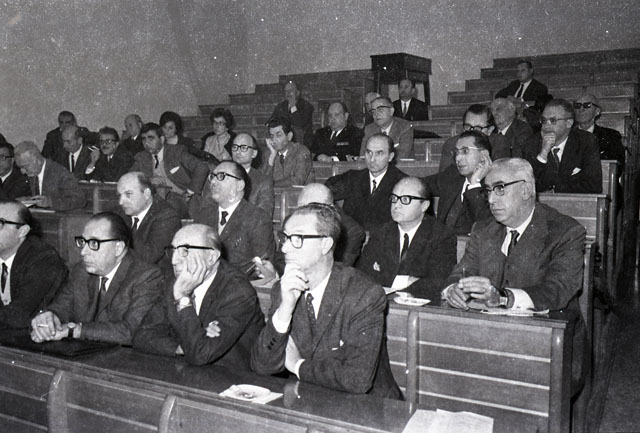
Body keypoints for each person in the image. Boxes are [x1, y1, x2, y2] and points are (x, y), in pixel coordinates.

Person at [441, 157, 587, 392]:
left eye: (500, 189)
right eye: (488, 191)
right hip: (489, 340)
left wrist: (503, 297)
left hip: (548, 346)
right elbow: (460, 273)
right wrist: (453, 290)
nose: (491, 199)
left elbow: (558, 290)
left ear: (526, 190)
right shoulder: (482, 229)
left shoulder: (565, 231)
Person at [251, 203, 401, 399]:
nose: (285, 248)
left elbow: (357, 379)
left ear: (325, 244)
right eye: (285, 238)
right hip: (307, 399)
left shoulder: (364, 294)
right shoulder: (283, 289)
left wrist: (298, 365)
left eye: (297, 238)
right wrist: (285, 310)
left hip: (367, 406)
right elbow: (262, 366)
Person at [133, 224, 264, 367]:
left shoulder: (238, 291)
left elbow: (200, 354)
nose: (174, 261)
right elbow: (141, 335)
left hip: (227, 375)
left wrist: (182, 297)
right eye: (173, 250)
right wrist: (182, 347)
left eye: (185, 251)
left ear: (211, 257)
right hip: (185, 369)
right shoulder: (174, 282)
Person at [31, 212, 163, 345]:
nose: (83, 252)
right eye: (83, 242)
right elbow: (61, 307)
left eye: (94, 243)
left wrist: (76, 330)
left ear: (118, 248)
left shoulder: (146, 276)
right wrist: (49, 317)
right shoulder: (81, 270)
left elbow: (130, 331)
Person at [357, 177, 455, 297]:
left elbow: (438, 283)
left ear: (424, 206)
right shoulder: (381, 232)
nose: (396, 205)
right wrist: (405, 281)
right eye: (394, 198)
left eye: (405, 199)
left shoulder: (441, 236)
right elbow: (362, 274)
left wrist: (385, 278)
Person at [254, 183, 365, 279]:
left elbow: (336, 273)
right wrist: (275, 272)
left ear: (330, 208)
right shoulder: (292, 221)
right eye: (301, 209)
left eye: (312, 209)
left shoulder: (351, 231)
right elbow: (282, 260)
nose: (303, 216)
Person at [191, 161, 275, 276]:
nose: (213, 182)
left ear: (239, 185)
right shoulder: (204, 215)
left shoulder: (257, 218)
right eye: (212, 176)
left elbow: (262, 268)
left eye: (221, 176)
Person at [0, 200, 67, 329]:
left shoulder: (44, 259)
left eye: (0, 223)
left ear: (22, 231)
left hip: (32, 335)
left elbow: (18, 316)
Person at [326, 133, 407, 231]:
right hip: (353, 237)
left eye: (379, 153)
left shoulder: (402, 182)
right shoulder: (352, 178)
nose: (372, 159)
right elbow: (324, 192)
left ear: (390, 157)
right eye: (369, 152)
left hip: (384, 239)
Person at [130, 122, 209, 218]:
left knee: (168, 208)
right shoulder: (141, 157)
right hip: (152, 199)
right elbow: (129, 178)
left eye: (151, 138)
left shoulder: (177, 152)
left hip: (179, 199)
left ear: (162, 139)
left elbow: (201, 167)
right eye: (144, 139)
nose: (146, 143)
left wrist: (190, 192)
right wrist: (149, 180)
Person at [523, 99, 602, 193]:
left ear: (569, 123)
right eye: (543, 120)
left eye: (552, 120)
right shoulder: (532, 143)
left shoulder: (586, 141)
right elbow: (527, 185)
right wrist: (543, 153)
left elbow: (593, 185)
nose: (546, 126)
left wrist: (555, 189)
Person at [423, 131, 493, 235]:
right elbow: (418, 184)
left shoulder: (494, 184)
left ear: (484, 155)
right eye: (456, 152)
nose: (457, 158)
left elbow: (487, 227)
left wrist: (474, 184)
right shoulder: (452, 174)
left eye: (465, 151)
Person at [116, 172, 181, 276]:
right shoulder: (121, 212)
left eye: (128, 194)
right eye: (119, 195)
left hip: (154, 278)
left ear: (147, 193)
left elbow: (147, 257)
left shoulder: (167, 216)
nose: (121, 202)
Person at [14, 141, 86, 211]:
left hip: (59, 217)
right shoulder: (29, 173)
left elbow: (80, 200)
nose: (22, 171)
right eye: (20, 167)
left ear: (37, 160)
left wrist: (50, 202)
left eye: (25, 166)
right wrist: (26, 199)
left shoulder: (60, 173)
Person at [574, 93, 625, 170]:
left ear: (597, 111)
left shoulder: (611, 136)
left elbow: (616, 168)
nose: (581, 109)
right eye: (577, 105)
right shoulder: (567, 135)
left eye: (587, 105)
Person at [439, 104, 495, 171]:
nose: (472, 132)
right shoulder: (452, 144)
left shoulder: (499, 143)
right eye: (468, 126)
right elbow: (445, 175)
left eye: (478, 128)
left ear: (490, 130)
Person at [262, 117, 315, 187]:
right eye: (271, 136)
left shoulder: (301, 151)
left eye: (278, 135)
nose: (274, 140)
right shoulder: (269, 153)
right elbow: (262, 182)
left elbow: (297, 181)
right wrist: (272, 157)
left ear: (289, 136)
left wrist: (271, 185)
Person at [230, 133, 274, 217]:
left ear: (254, 153)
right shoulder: (219, 175)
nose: (237, 152)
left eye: (243, 148)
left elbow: (264, 216)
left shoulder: (263, 181)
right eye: (234, 147)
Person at [270, 81, 314, 147]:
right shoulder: (281, 106)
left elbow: (300, 124)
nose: (288, 93)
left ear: (298, 93)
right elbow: (271, 121)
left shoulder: (306, 106)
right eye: (286, 91)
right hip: (284, 140)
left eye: (291, 90)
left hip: (302, 142)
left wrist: (293, 106)